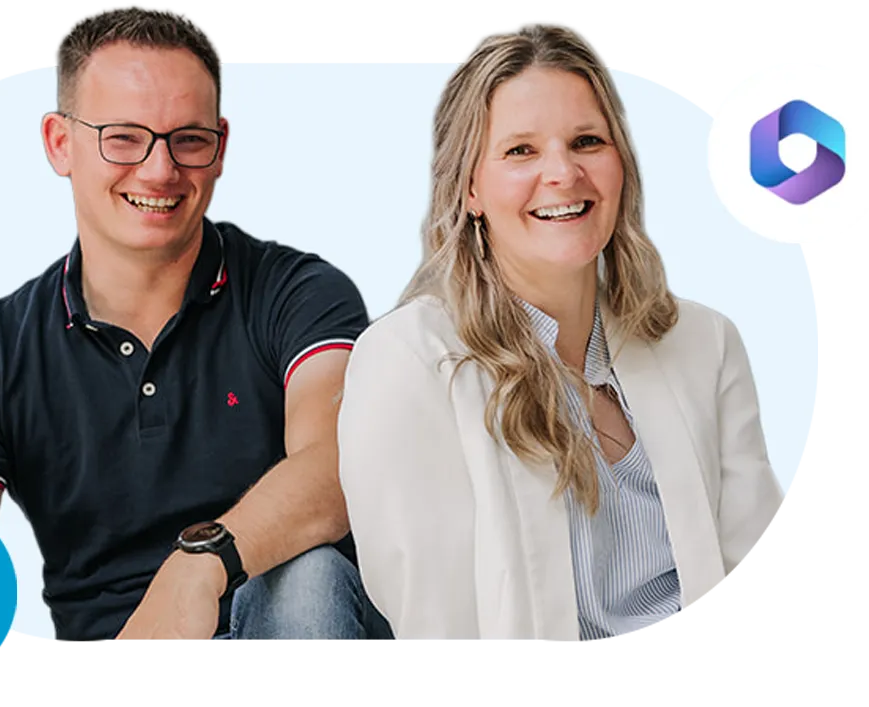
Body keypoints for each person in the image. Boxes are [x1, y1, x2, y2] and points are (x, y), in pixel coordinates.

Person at [0, 7, 392, 645]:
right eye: (124, 137)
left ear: (219, 147)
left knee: (309, 575)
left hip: (295, 635)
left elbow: (340, 466)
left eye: (187, 139)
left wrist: (196, 570)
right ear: (59, 143)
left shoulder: (296, 294)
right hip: (116, 660)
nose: (160, 170)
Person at [336, 24, 786, 644]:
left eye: (587, 141)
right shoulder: (410, 362)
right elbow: (440, 631)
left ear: (620, 164)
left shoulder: (706, 343)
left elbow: (759, 583)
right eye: (521, 151)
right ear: (470, 187)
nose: (563, 172)